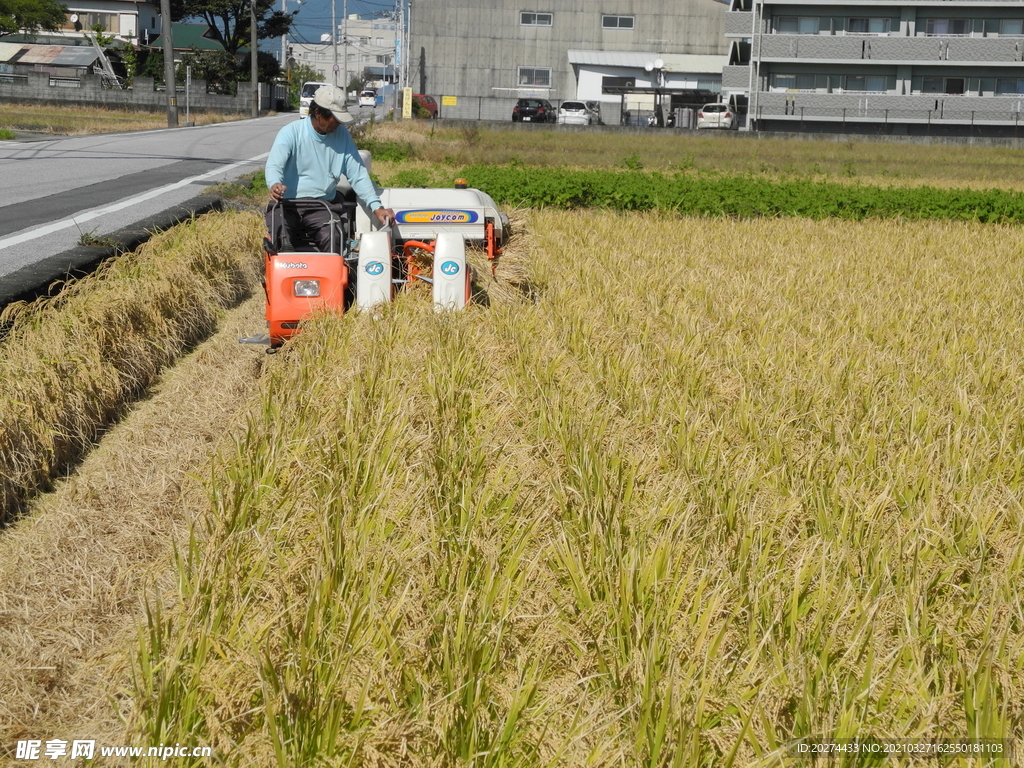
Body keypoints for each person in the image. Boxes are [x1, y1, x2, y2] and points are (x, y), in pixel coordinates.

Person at [265, 84, 394, 253]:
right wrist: (275, 184)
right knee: (280, 239)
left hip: (321, 206)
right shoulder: (291, 133)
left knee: (334, 238)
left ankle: (332, 279)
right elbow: (274, 165)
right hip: (287, 205)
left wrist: (376, 207)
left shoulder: (342, 136)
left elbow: (358, 174)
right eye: (335, 118)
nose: (339, 123)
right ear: (318, 113)